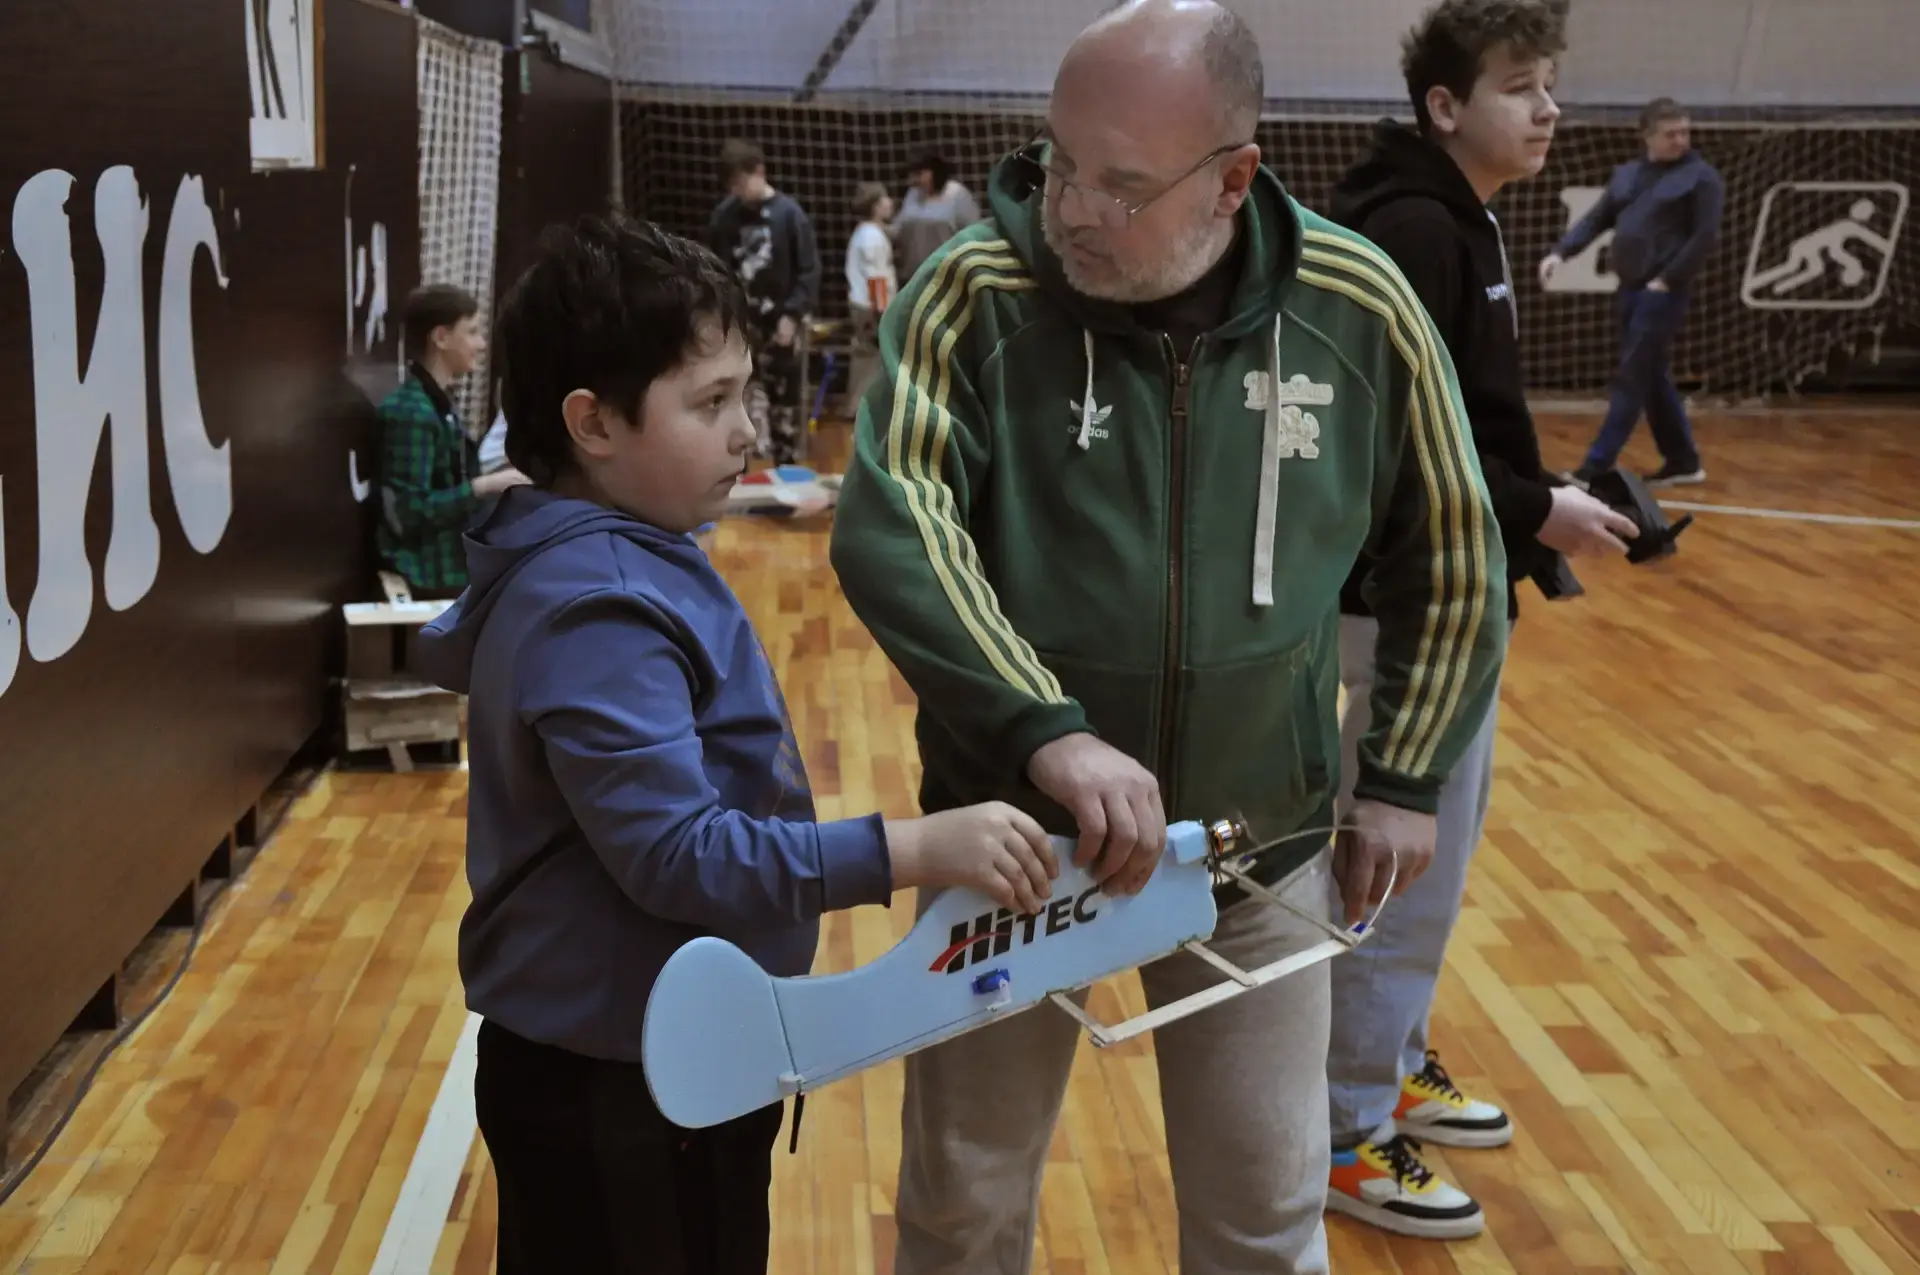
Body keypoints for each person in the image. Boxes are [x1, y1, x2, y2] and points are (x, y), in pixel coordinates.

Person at [828, 2, 1510, 1271]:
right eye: (1061, 164)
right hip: (1013, 845)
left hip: (1260, 849)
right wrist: (1045, 732)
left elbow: (1458, 552)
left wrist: (1404, 779)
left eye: (1123, 186)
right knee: (962, 1206)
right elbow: (896, 526)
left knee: (1267, 1214)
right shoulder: (971, 294)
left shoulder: (1358, 302)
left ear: (1234, 179)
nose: (1073, 209)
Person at [412, 213, 1062, 1275]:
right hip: (623, 1091)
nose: (747, 432)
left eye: (744, 396)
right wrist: (914, 848)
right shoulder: (595, 603)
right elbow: (678, 854)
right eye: (710, 403)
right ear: (592, 422)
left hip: (655, 1063)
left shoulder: (622, 551)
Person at [1324, 0, 1638, 1240]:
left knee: (1429, 872)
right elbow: (1397, 443)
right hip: (1404, 607)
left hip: (1446, 595)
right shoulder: (1414, 229)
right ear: (1444, 106)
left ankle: (1389, 1063)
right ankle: (1342, 1129)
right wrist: (1535, 508)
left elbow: (1462, 424)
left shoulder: (1456, 216)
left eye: (1550, 83)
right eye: (1520, 86)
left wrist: (1531, 498)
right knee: (1393, 874)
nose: (1548, 109)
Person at [1541, 97, 1725, 488]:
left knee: (1632, 375)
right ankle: (1683, 460)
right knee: (1651, 374)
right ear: (1647, 136)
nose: (1680, 140)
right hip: (1628, 287)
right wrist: (1561, 252)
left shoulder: (1701, 178)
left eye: (1685, 132)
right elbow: (1597, 219)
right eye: (1671, 134)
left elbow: (1703, 236)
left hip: (1662, 292)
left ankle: (1595, 467)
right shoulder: (1627, 175)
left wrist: (1668, 279)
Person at [375, 283, 528, 598]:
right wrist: (484, 486)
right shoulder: (411, 411)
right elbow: (407, 513)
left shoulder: (438, 404)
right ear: (441, 337)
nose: (481, 344)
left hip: (452, 571)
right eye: (471, 332)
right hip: (426, 580)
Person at [708, 139, 822, 464]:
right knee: (737, 402)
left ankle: (786, 469)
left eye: (741, 182)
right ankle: (736, 471)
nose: (737, 191)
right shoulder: (724, 217)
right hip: (740, 325)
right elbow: (714, 269)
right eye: (731, 186)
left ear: (759, 171)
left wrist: (792, 315)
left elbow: (809, 270)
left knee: (784, 406)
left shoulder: (789, 214)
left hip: (781, 325)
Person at [845, 181, 899, 403]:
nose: (890, 202)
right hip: (870, 309)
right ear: (876, 206)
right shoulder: (871, 236)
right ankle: (858, 408)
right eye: (885, 198)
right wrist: (883, 312)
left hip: (866, 306)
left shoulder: (867, 232)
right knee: (868, 361)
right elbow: (876, 278)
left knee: (868, 360)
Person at [893, 152, 982, 284]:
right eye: (911, 175)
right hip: (914, 275)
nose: (913, 180)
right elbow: (898, 228)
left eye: (918, 174)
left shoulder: (956, 194)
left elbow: (974, 232)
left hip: (947, 275)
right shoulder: (912, 194)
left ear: (934, 173)